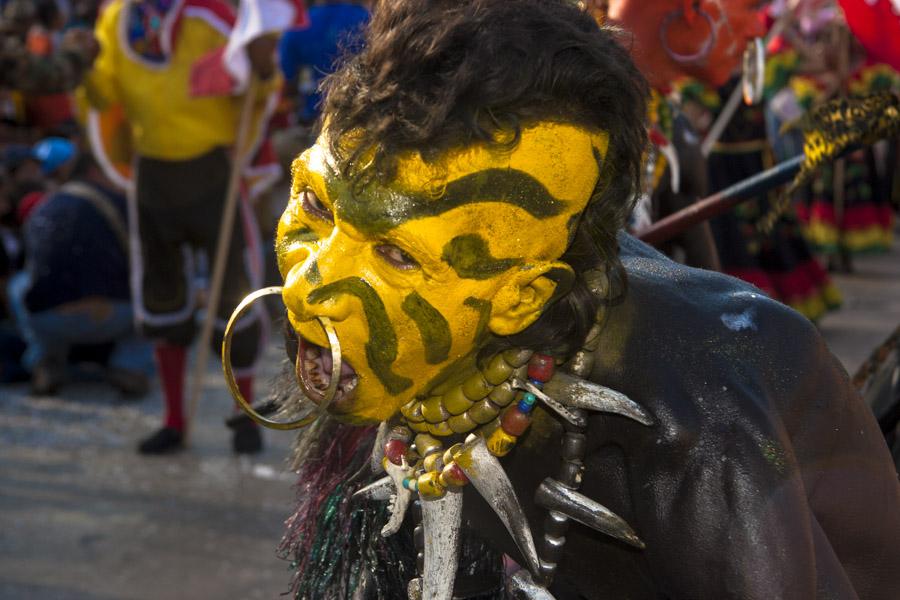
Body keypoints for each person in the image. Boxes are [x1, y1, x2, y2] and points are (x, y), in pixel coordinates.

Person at [238, 1, 899, 598]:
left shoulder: (695, 433)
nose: (307, 287)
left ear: (523, 298)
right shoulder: (418, 348)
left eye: (395, 253)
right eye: (315, 205)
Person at [78, 0, 280, 454]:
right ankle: (174, 420)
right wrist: (85, 69)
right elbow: (103, 97)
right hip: (152, 176)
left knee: (235, 297)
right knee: (162, 297)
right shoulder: (118, 19)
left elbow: (255, 86)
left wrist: (264, 71)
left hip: (213, 174)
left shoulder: (211, 16)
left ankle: (241, 416)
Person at [6, 142, 153, 396]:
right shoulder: (122, 204)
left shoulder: (44, 207)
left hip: (48, 320)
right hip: (114, 315)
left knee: (17, 284)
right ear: (97, 171)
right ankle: (130, 365)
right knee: (153, 288)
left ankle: (44, 359)